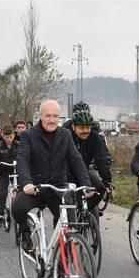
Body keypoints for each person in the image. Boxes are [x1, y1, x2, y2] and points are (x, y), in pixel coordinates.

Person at [12, 100, 92, 252]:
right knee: (17, 208)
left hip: (58, 187)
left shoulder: (66, 135)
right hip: (36, 187)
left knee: (69, 226)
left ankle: (62, 270)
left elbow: (76, 160)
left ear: (59, 118)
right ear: (40, 116)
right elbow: (22, 159)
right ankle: (25, 233)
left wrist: (85, 183)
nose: (52, 119)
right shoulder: (29, 135)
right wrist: (27, 182)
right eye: (48, 115)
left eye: (55, 116)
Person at [67, 110, 114, 212]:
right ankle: (73, 213)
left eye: (88, 127)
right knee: (72, 193)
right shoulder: (67, 136)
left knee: (100, 188)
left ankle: (84, 212)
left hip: (84, 171)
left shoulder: (95, 138)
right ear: (74, 127)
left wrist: (107, 181)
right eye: (81, 127)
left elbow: (101, 160)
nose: (85, 131)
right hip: (67, 172)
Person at [0, 125, 18, 228]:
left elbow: (24, 156)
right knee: (3, 192)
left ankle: (20, 213)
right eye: (7, 137)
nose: (9, 139)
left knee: (21, 192)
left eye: (11, 137)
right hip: (4, 173)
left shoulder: (19, 146)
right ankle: (1, 215)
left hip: (16, 172)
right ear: (3, 136)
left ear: (14, 135)